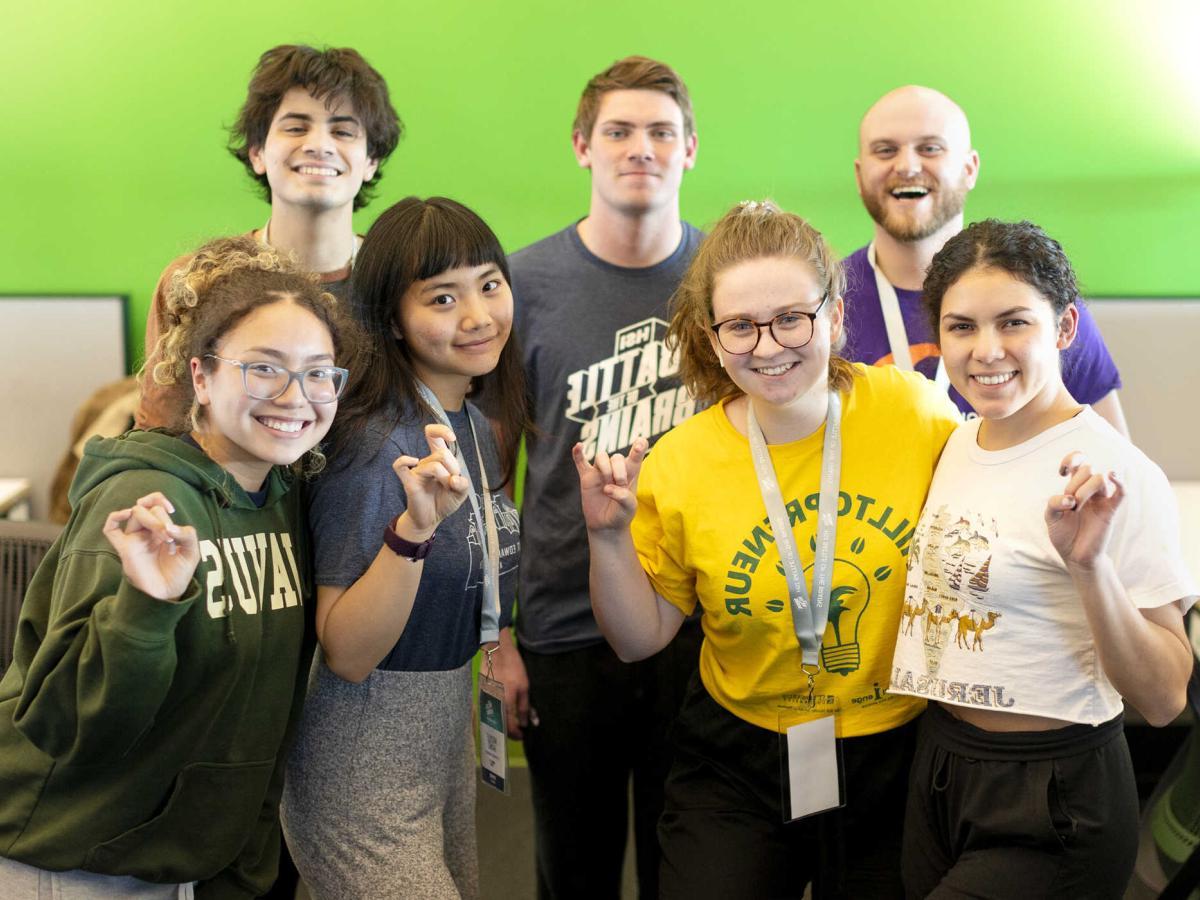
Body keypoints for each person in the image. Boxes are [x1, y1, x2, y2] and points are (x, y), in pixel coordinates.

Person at [574, 200, 961, 899]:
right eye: (741, 327)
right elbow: (638, 641)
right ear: (712, 337)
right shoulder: (680, 462)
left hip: (895, 746)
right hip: (738, 756)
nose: (769, 345)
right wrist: (606, 537)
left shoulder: (916, 413)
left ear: (835, 317)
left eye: (791, 318)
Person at [0, 236, 350, 898]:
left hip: (176, 865)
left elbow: (254, 715)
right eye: (264, 368)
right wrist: (144, 608)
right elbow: (65, 724)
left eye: (317, 371)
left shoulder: (278, 496)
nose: (295, 396)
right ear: (200, 375)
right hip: (67, 860)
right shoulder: (144, 502)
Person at [889, 219, 1197, 899]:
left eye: (1014, 323)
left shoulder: (1114, 470)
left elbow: (1166, 694)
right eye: (961, 326)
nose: (986, 350)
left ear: (1063, 330)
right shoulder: (954, 444)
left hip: (1054, 797)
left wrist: (1092, 570)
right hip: (941, 767)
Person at [280, 197, 527, 900]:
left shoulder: (470, 422)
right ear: (393, 317)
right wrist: (411, 533)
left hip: (445, 736)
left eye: (489, 283)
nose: (478, 315)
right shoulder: (374, 441)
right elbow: (348, 653)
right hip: (364, 753)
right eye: (443, 298)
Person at [508, 54, 704, 899]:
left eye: (662, 132)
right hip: (562, 626)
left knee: (689, 869)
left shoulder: (724, 283)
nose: (641, 149)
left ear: (689, 150)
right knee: (573, 873)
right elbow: (488, 470)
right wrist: (496, 634)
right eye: (619, 131)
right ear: (583, 146)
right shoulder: (520, 285)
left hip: (698, 623)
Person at [137, 43, 401, 429]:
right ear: (258, 152)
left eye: (343, 130)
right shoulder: (195, 283)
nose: (318, 145)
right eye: (296, 127)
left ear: (370, 161)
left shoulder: (401, 282)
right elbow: (161, 436)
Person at [844, 85, 1128, 431]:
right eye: (886, 150)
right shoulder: (825, 306)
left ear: (969, 168)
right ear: (859, 176)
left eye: (930, 148)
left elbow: (1115, 459)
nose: (906, 165)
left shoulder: (1038, 294)